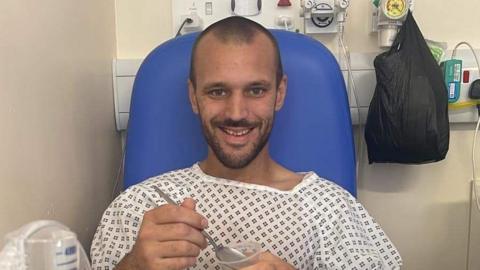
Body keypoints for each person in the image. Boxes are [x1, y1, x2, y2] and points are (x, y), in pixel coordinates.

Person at [91, 16, 402, 270]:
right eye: (217, 91)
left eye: (255, 91)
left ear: (279, 93)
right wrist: (132, 267)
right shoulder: (140, 208)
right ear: (193, 97)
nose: (236, 113)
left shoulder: (329, 211)